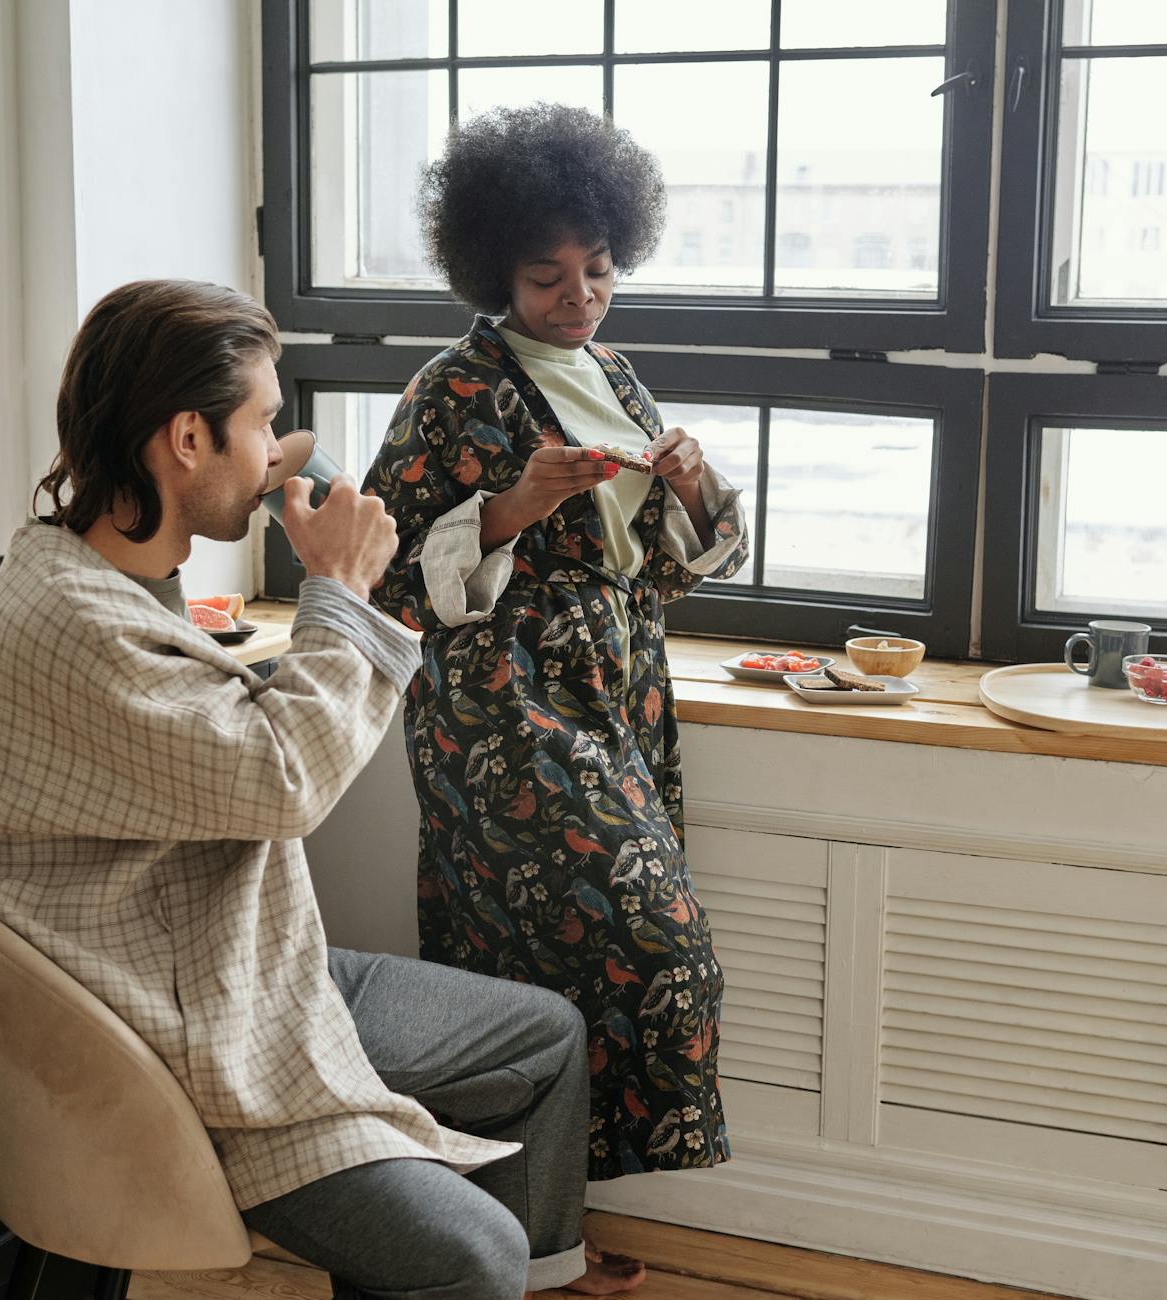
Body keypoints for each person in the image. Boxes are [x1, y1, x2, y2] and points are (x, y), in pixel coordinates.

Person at [0, 279, 612, 1298]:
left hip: (246, 971)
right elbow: (283, 782)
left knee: (545, 1037)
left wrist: (320, 574)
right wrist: (337, 593)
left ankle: (536, 1283)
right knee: (468, 1252)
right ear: (187, 437)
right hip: (175, 1045)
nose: (280, 447)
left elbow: (211, 731)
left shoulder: (104, 579)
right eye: (263, 422)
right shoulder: (70, 626)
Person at [362, 103, 751, 1247]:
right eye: (545, 277)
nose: (576, 295)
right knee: (656, 945)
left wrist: (685, 483)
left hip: (618, 691)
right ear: (494, 275)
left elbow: (680, 562)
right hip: (503, 705)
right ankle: (479, 1233)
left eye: (598, 267)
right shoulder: (453, 389)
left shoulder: (619, 377)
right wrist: (519, 503)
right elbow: (378, 567)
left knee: (536, 982)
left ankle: (535, 1241)